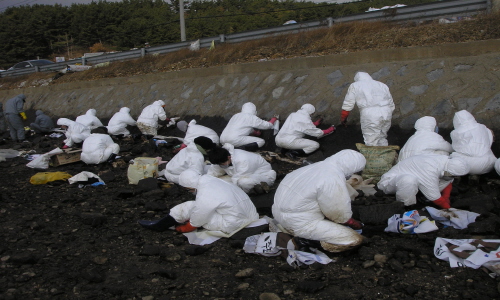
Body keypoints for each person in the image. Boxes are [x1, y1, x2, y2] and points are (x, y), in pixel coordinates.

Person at [272, 150, 366, 253]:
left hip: (278, 214)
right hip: (300, 223)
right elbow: (338, 214)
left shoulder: (311, 168)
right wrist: (352, 222)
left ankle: (293, 232)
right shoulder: (332, 177)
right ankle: (305, 241)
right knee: (354, 239)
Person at [138, 169, 259, 235]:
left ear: (189, 186)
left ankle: (160, 226)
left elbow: (200, 214)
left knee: (190, 207)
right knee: (196, 207)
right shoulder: (211, 181)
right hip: (252, 216)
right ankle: (163, 222)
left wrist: (187, 227)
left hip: (235, 224)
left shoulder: (205, 193)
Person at [377, 155, 469, 208]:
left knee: (413, 181)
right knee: (409, 180)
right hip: (390, 182)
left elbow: (447, 181)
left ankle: (415, 196)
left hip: (413, 184)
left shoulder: (446, 163)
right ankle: (406, 208)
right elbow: (434, 197)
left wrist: (446, 198)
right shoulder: (429, 168)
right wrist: (449, 209)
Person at [340, 72, 395, 146]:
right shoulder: (382, 85)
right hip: (386, 111)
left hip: (370, 114)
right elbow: (391, 103)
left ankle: (373, 157)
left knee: (371, 140)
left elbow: (348, 102)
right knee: (382, 137)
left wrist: (344, 118)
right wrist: (387, 113)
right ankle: (384, 156)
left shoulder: (355, 85)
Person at [208, 143, 276, 194]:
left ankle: (252, 194)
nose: (222, 166)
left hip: (263, 175)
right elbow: (213, 171)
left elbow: (238, 179)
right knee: (217, 182)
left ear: (229, 157)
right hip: (238, 175)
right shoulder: (221, 157)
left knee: (244, 182)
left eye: (223, 164)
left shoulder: (243, 160)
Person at [449, 110, 496, 175]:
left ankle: (459, 175)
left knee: (452, 155)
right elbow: (490, 140)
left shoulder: (455, 133)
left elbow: (456, 148)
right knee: (487, 151)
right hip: (489, 163)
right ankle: (475, 176)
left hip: (469, 165)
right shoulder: (482, 127)